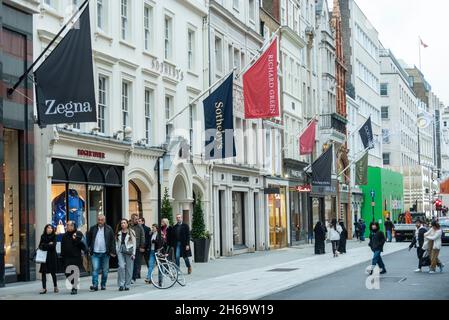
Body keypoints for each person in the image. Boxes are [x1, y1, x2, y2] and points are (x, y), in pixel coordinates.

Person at [86, 214, 116, 291]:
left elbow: (112, 241)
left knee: (105, 271)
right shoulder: (93, 228)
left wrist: (113, 251)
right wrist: (88, 249)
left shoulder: (109, 229)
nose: (100, 221)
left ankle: (103, 284)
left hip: (105, 253)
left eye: (102, 220)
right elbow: (88, 239)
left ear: (104, 220)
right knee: (95, 269)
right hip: (95, 253)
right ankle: (95, 285)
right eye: (99, 219)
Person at [61, 221, 86, 295]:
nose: (68, 226)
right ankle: (73, 284)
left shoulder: (78, 233)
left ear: (73, 226)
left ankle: (74, 288)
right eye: (67, 225)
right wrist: (62, 256)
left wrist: (76, 239)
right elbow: (63, 246)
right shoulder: (65, 235)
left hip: (76, 257)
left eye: (69, 225)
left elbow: (82, 245)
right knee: (67, 273)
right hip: (67, 257)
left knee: (75, 272)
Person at [116, 219, 136, 291]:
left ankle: (127, 285)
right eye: (121, 223)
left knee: (129, 268)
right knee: (121, 266)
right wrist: (117, 251)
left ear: (127, 224)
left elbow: (134, 243)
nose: (123, 224)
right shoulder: (118, 233)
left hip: (129, 251)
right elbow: (116, 242)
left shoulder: (131, 232)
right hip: (121, 251)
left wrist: (133, 253)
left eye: (124, 223)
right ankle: (121, 284)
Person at [38, 224, 58, 294]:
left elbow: (53, 246)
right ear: (45, 229)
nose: (49, 229)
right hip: (44, 257)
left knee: (53, 273)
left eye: (51, 228)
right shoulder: (42, 236)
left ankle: (55, 286)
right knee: (43, 273)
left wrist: (45, 245)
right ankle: (44, 288)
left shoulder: (54, 236)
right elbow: (40, 246)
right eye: (48, 228)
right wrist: (48, 244)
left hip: (52, 256)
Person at [129, 214, 145, 281]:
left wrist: (142, 246)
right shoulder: (129, 226)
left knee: (136, 263)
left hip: (137, 248)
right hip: (129, 247)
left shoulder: (140, 227)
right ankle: (129, 276)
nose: (137, 221)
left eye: (138, 219)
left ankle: (133, 277)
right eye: (136, 219)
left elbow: (142, 237)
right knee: (129, 263)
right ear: (132, 219)